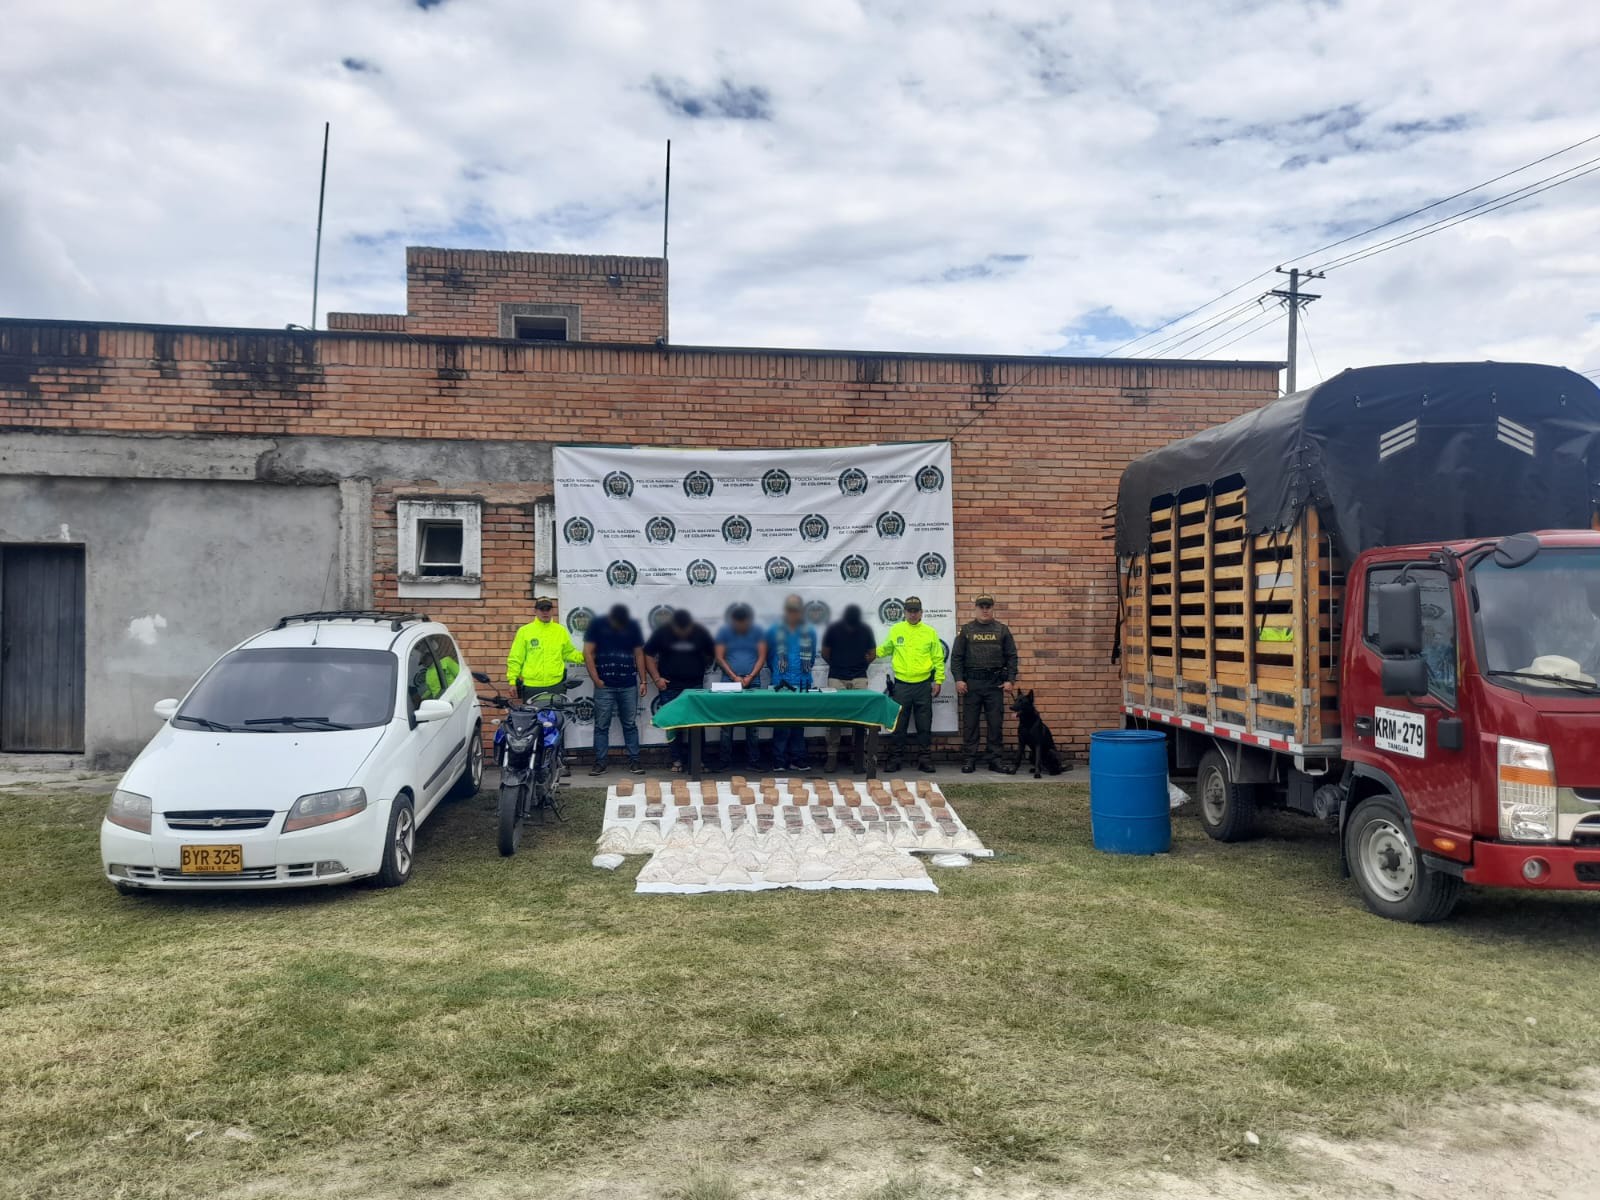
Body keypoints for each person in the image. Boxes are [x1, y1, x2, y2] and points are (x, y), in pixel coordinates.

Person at [951, 593, 1019, 773]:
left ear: (992, 608)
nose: (985, 609)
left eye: (988, 606)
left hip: (995, 684)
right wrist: (959, 679)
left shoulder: (1002, 630)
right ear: (975, 608)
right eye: (981, 606)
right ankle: (969, 759)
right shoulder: (966, 631)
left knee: (995, 724)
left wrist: (1010, 680)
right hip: (972, 684)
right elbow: (957, 658)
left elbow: (1011, 657)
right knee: (971, 724)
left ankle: (995, 759)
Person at [877, 596, 944, 773]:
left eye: (916, 611)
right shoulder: (896, 630)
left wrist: (938, 680)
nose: (913, 614)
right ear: (904, 612)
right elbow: (885, 649)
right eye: (909, 611)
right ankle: (895, 759)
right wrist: (869, 652)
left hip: (923, 685)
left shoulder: (930, 632)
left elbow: (938, 658)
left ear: (921, 612)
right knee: (899, 725)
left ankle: (925, 759)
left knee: (924, 724)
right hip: (901, 686)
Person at [643, 608, 716, 772]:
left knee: (697, 725)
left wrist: (701, 665)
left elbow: (712, 652)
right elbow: (647, 654)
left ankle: (698, 761)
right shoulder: (662, 632)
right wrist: (656, 678)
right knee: (672, 725)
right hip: (669, 686)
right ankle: (676, 760)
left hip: (695, 686)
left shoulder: (700, 632)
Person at [583, 603, 648, 776]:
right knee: (602, 726)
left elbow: (639, 654)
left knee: (629, 724)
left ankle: (635, 761)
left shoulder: (633, 626)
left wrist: (643, 681)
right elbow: (587, 652)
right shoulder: (597, 625)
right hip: (605, 686)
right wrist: (596, 679)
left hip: (628, 684)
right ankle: (600, 763)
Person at [820, 604, 877, 772]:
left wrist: (859, 667)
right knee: (833, 718)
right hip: (837, 679)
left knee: (860, 719)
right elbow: (825, 653)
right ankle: (832, 757)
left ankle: (858, 757)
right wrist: (839, 666)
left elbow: (872, 654)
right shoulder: (833, 629)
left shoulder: (866, 629)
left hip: (859, 678)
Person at [768, 594, 819, 771]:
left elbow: (811, 658)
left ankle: (798, 759)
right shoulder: (774, 630)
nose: (793, 613)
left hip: (803, 681)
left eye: (796, 609)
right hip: (780, 682)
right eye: (790, 609)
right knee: (781, 723)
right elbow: (770, 657)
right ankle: (779, 760)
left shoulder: (810, 631)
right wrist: (779, 670)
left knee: (799, 722)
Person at [714, 603, 768, 770]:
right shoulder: (724, 632)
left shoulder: (758, 631)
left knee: (752, 725)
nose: (741, 626)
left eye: (744, 623)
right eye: (737, 623)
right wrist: (735, 677)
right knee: (726, 725)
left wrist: (750, 677)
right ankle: (724, 762)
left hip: (754, 682)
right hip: (729, 683)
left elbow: (762, 656)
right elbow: (719, 657)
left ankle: (753, 761)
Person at [507, 596, 584, 701]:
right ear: (535, 611)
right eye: (541, 609)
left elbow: (568, 653)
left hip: (556, 685)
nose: (545, 612)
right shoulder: (524, 631)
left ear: (552, 611)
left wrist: (585, 656)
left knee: (556, 717)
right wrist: (512, 681)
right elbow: (515, 658)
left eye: (548, 609)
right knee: (534, 717)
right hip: (531, 687)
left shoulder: (560, 630)